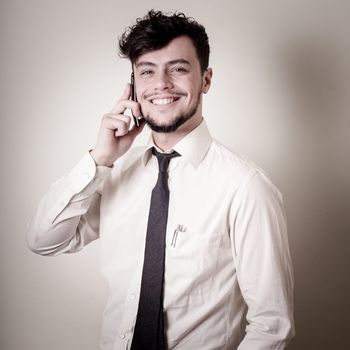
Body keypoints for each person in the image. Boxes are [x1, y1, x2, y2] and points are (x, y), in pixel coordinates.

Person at [26, 10, 295, 350]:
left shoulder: (246, 186)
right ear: (133, 86)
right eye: (147, 72)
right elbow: (43, 239)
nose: (161, 84)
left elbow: (272, 326)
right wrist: (100, 158)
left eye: (178, 69)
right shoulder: (114, 174)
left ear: (206, 79)